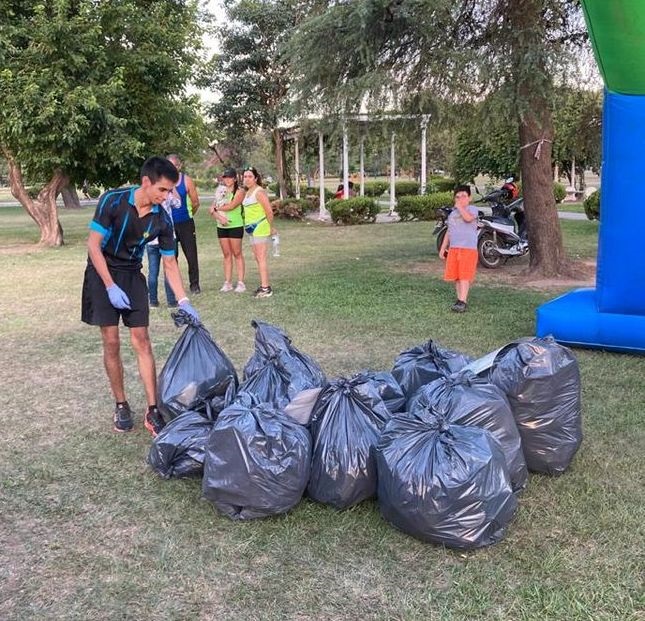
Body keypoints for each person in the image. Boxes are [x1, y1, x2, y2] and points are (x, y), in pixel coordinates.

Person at [81, 156, 200, 436]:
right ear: (146, 182)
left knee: (142, 339)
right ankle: (121, 404)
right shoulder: (112, 200)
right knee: (111, 341)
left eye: (171, 190)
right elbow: (93, 246)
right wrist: (110, 286)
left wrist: (183, 300)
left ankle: (152, 409)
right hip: (102, 273)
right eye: (163, 190)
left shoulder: (162, 219)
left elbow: (170, 263)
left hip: (133, 274)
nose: (167, 196)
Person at [439, 184, 479, 313]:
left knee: (464, 276)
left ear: (470, 198)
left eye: (464, 196)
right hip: (455, 248)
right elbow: (449, 232)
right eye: (457, 197)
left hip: (468, 248)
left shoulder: (472, 209)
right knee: (456, 276)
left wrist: (460, 208)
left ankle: (463, 301)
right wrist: (443, 247)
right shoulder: (452, 214)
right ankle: (459, 299)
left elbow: (468, 219)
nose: (461, 199)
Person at [166, 154, 201, 294]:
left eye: (174, 165)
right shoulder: (163, 181)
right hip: (169, 225)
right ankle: (175, 286)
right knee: (171, 257)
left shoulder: (186, 180)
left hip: (186, 223)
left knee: (191, 255)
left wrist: (188, 214)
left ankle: (194, 285)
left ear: (179, 166)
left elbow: (195, 202)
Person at [209, 167, 247, 293]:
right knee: (226, 254)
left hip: (235, 225)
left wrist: (217, 208)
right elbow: (211, 209)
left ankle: (241, 282)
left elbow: (232, 206)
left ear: (235, 179)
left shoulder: (240, 191)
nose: (227, 180)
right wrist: (219, 216)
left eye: (230, 177)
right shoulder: (220, 190)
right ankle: (228, 282)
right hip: (221, 225)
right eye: (225, 177)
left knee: (237, 253)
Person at [241, 167, 276, 298]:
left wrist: (271, 227)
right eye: (245, 176)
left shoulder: (259, 192)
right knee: (257, 257)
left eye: (250, 176)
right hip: (251, 228)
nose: (247, 179)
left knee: (261, 258)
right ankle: (263, 285)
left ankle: (266, 288)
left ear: (255, 178)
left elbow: (269, 211)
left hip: (260, 227)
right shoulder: (247, 192)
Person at [146, 189, 180, 308]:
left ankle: (153, 301)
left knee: (152, 272)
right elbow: (178, 203)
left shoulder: (148, 197)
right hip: (168, 237)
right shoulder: (167, 195)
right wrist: (173, 188)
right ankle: (171, 301)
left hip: (151, 239)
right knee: (169, 269)